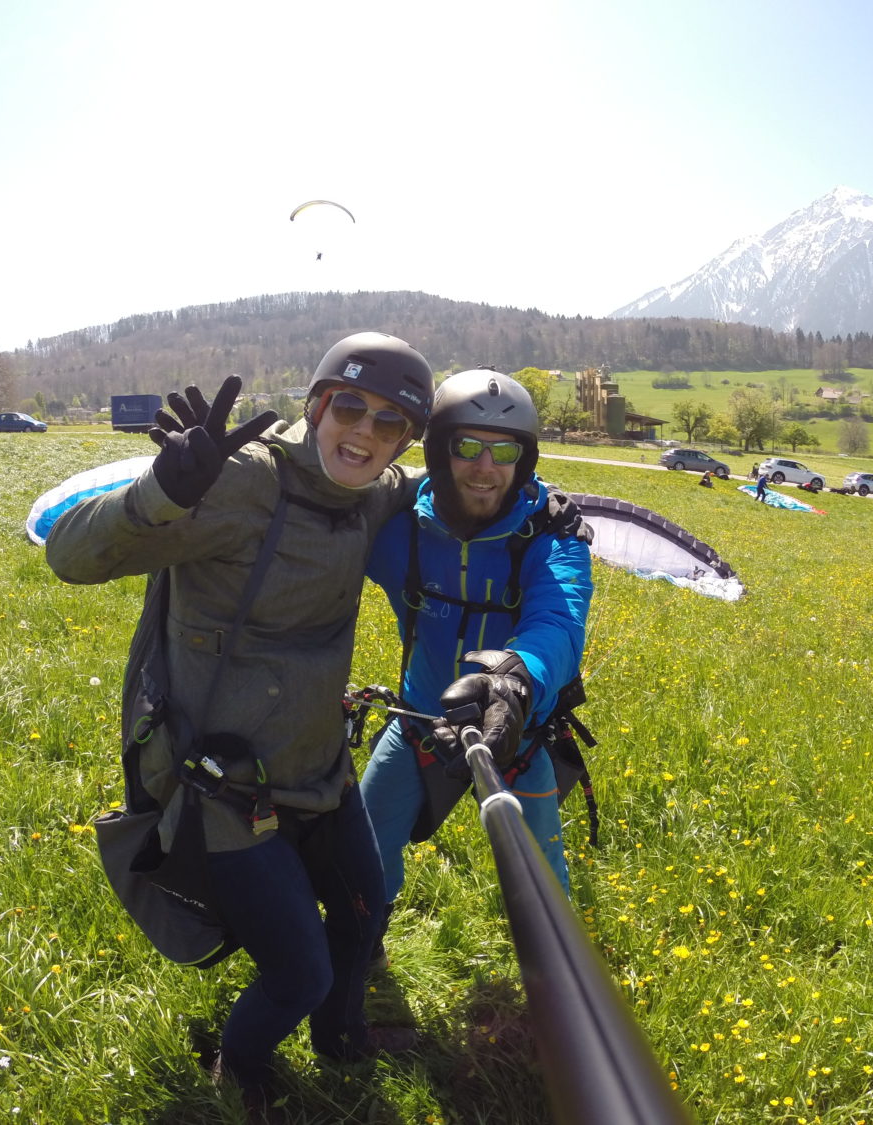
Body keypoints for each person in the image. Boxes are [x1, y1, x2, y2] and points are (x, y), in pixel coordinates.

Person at [45, 332, 434, 1120]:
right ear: (317, 405)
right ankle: (243, 1065)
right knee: (299, 970)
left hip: (320, 771)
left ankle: (341, 1039)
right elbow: (70, 553)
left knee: (364, 913)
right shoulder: (239, 485)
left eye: (389, 423)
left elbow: (448, 484)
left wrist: (529, 495)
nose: (363, 432)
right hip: (225, 792)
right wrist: (163, 489)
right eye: (348, 407)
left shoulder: (373, 490)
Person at [361, 369, 593, 917]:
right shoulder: (398, 529)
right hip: (420, 720)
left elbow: (559, 623)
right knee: (363, 851)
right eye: (467, 447)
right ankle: (360, 950)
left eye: (505, 451)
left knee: (540, 876)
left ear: (524, 459)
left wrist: (513, 680)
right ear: (439, 452)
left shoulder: (551, 534)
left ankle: (550, 981)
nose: (486, 468)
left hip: (515, 728)